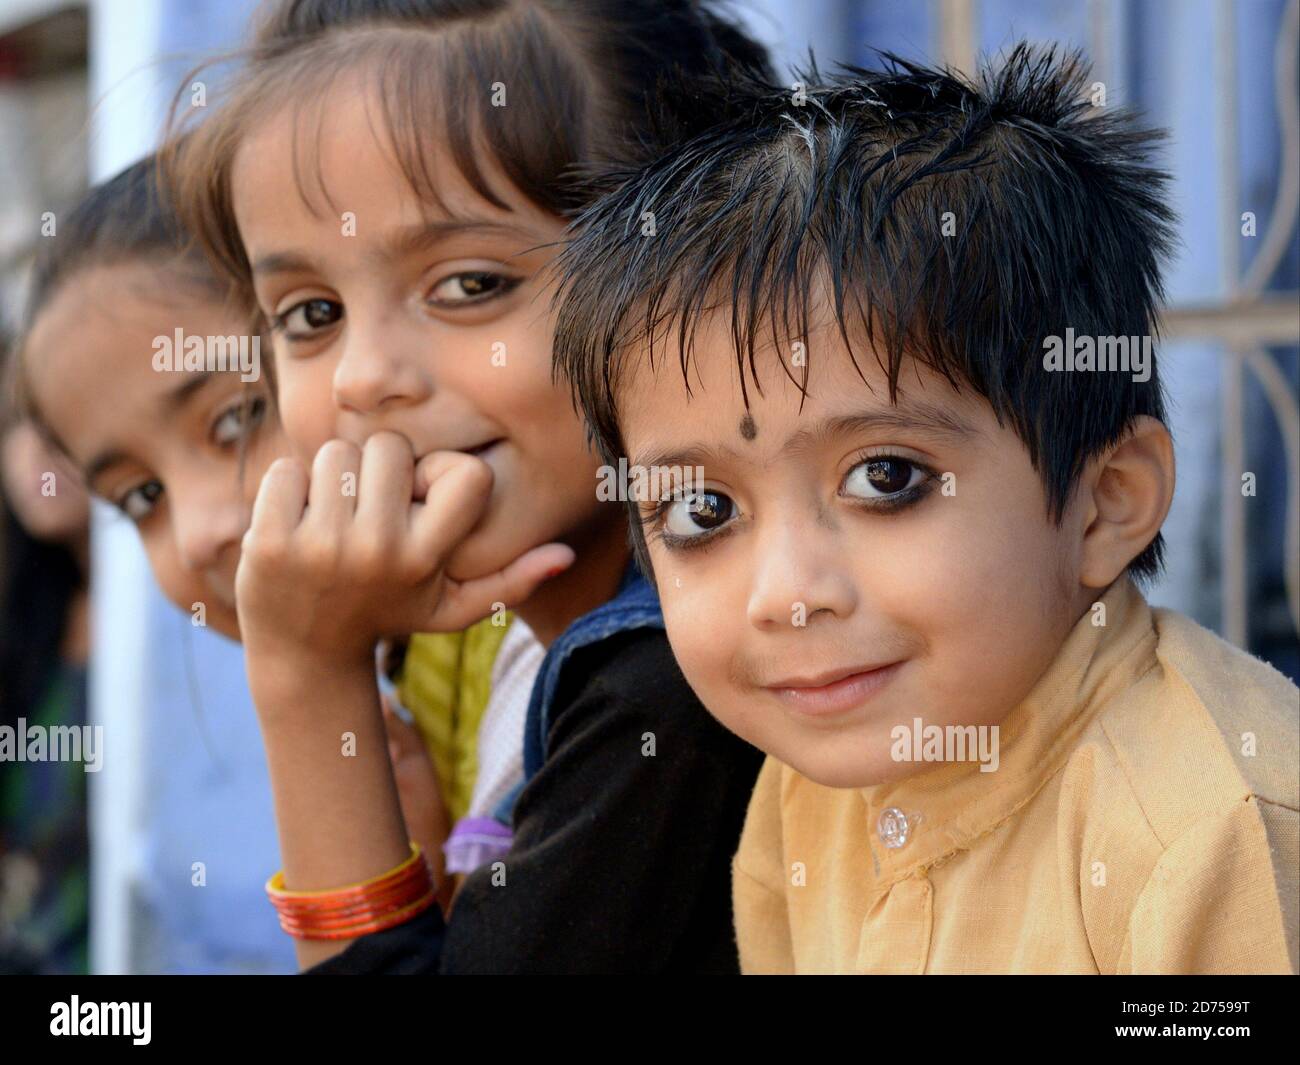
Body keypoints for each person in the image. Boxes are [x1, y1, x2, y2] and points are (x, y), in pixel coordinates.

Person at [552, 46, 1300, 973]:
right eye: (703, 509)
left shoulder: (1207, 834)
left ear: (1110, 501)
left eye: (886, 479)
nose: (788, 594)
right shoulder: (807, 787)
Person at [165, 0, 772, 971]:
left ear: (699, 271)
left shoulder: (680, 692)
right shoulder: (525, 657)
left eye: (471, 285)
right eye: (311, 311)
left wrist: (308, 679)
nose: (365, 376)